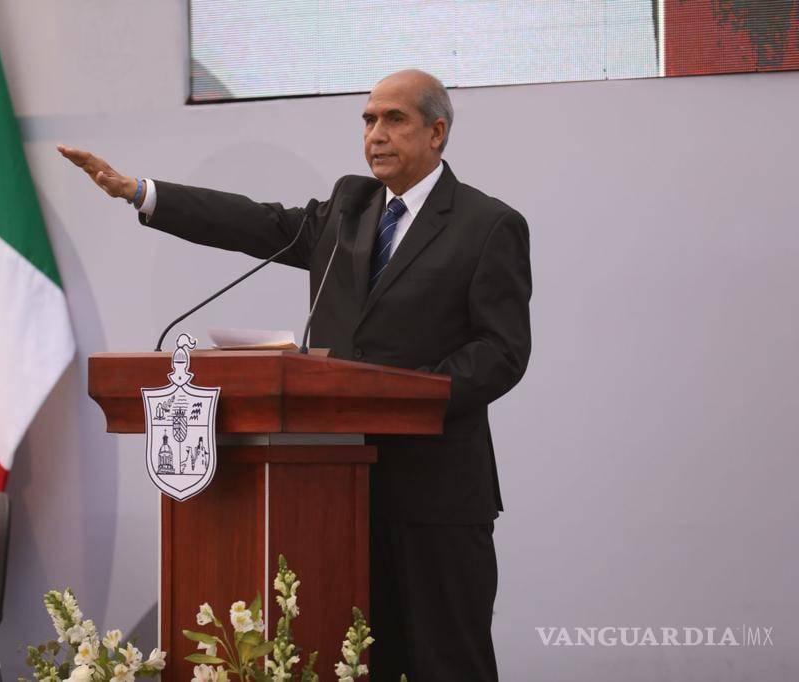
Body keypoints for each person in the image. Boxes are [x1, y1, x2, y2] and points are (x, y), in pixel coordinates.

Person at [59, 69, 531, 681]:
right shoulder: (350, 208)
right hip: (329, 489)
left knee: (446, 661)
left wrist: (410, 399)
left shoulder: (487, 224)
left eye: (394, 119)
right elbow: (255, 223)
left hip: (434, 492)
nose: (376, 135)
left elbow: (501, 351)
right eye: (368, 120)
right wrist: (140, 192)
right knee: (349, 660)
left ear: (437, 132)